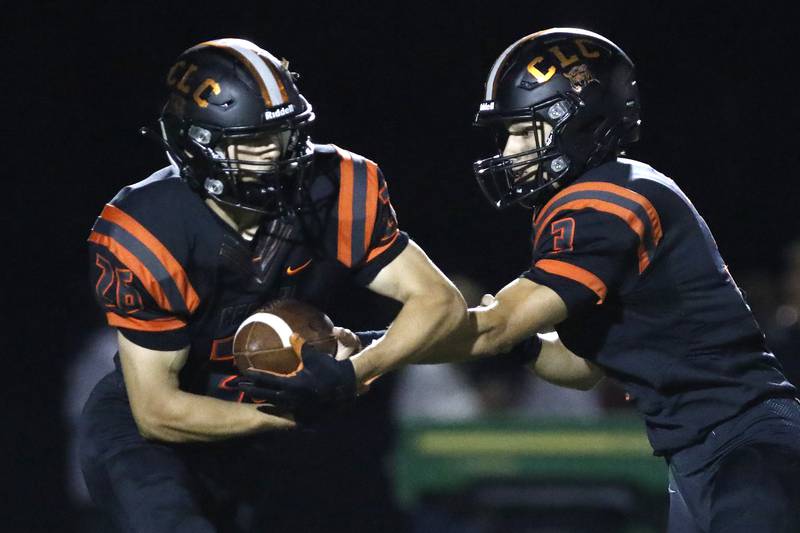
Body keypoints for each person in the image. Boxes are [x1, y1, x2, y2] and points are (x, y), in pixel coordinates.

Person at [255, 29, 800, 532]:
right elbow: (578, 366)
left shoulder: (606, 200)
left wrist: (356, 370)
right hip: (705, 453)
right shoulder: (607, 196)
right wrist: (382, 344)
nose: (510, 150)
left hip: (746, 446)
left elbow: (496, 326)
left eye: (522, 130)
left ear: (577, 119)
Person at [79, 37, 466, 533]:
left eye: (282, 135)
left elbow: (439, 302)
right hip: (152, 437)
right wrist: (291, 413)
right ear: (196, 146)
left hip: (252, 435)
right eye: (251, 141)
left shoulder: (334, 184)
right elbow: (157, 410)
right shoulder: (147, 227)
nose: (276, 155)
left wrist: (353, 374)